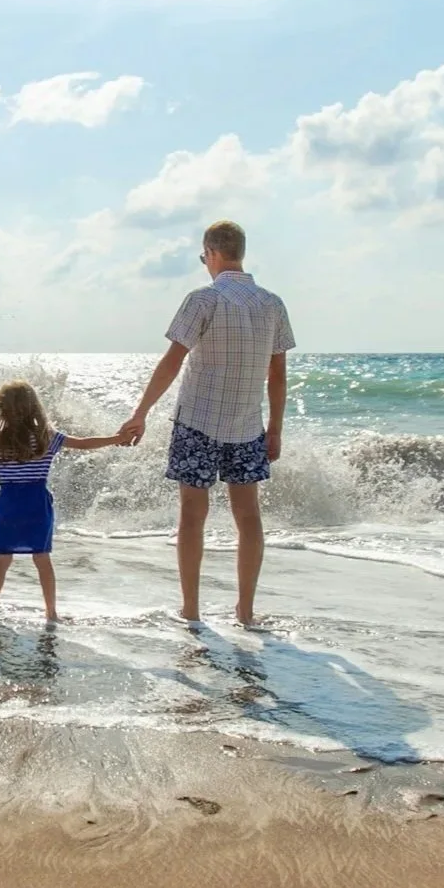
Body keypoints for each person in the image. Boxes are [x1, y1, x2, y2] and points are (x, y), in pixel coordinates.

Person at [119, 220, 294, 628]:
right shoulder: (272, 304)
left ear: (212, 253)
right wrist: (276, 428)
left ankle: (192, 610)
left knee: (192, 517)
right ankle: (245, 611)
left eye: (203, 257)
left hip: (197, 421)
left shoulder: (203, 299)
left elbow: (172, 361)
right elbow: (279, 375)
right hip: (248, 426)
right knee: (248, 517)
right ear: (241, 253)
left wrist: (141, 412)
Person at [0, 380, 126, 625]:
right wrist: (116, 438)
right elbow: (84, 443)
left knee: (2, 560)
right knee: (42, 559)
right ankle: (51, 613)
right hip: (36, 504)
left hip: (8, 505)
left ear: (2, 409)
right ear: (34, 407)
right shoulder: (46, 437)